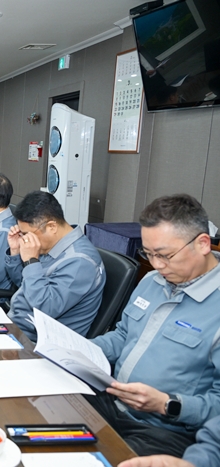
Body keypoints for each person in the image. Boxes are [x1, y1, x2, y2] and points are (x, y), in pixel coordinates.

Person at [88, 194, 220, 458]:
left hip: (165, 430)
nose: (157, 265)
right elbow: (123, 335)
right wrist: (81, 349)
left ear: (203, 243)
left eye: (165, 255)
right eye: (148, 254)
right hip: (112, 402)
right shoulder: (151, 281)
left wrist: (167, 404)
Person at [5, 190, 105, 340]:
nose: (25, 240)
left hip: (36, 340)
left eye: (27, 234)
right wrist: (15, 252)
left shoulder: (80, 263)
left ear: (51, 227)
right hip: (17, 325)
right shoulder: (51, 245)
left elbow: (45, 307)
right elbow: (25, 284)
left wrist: (31, 261)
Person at [118, 416, 220, 467]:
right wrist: (193, 464)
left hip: (166, 430)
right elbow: (214, 444)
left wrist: (167, 403)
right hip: (121, 407)